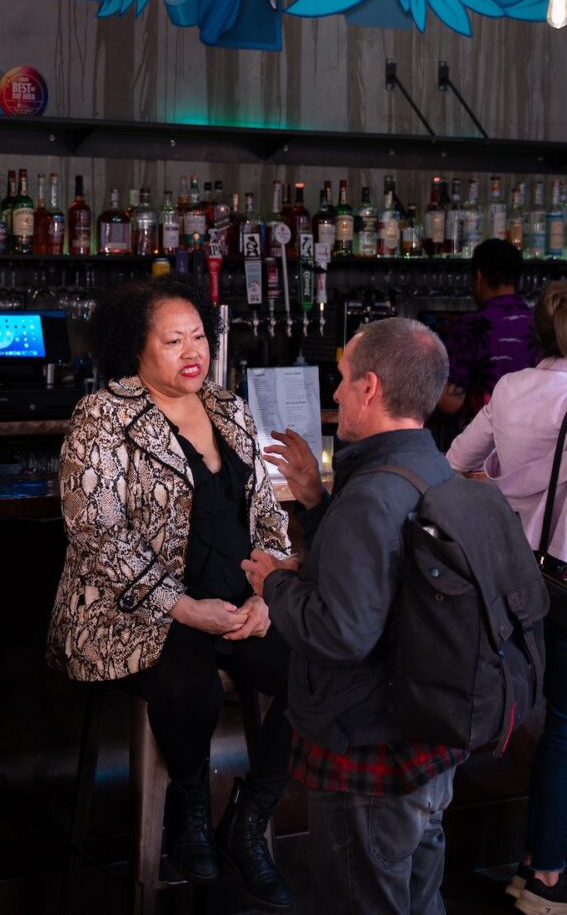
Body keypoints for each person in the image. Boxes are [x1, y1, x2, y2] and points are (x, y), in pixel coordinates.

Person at [47, 274, 297, 910]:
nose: (193, 352)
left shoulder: (229, 408)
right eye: (173, 340)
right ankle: (191, 812)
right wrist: (183, 606)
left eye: (199, 337)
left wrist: (269, 592)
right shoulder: (103, 416)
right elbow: (97, 534)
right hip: (137, 612)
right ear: (135, 347)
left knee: (321, 667)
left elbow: (269, 515)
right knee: (193, 686)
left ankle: (249, 817)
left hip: (238, 603)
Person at [246, 317, 460, 915]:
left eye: (342, 379)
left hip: (369, 745)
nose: (335, 392)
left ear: (370, 387)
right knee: (420, 900)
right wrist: (316, 502)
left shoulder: (370, 494)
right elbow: (375, 576)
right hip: (426, 739)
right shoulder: (429, 465)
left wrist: (276, 584)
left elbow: (339, 634)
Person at [448, 282, 567, 915]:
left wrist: (505, 494)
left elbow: (455, 459)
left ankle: (532, 862)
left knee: (531, 715)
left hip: (519, 577)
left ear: (537, 334)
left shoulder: (509, 388)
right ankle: (547, 881)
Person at [438, 238, 540, 424]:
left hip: (481, 439)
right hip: (535, 436)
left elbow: (450, 402)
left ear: (478, 277)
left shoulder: (470, 327)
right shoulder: (541, 324)